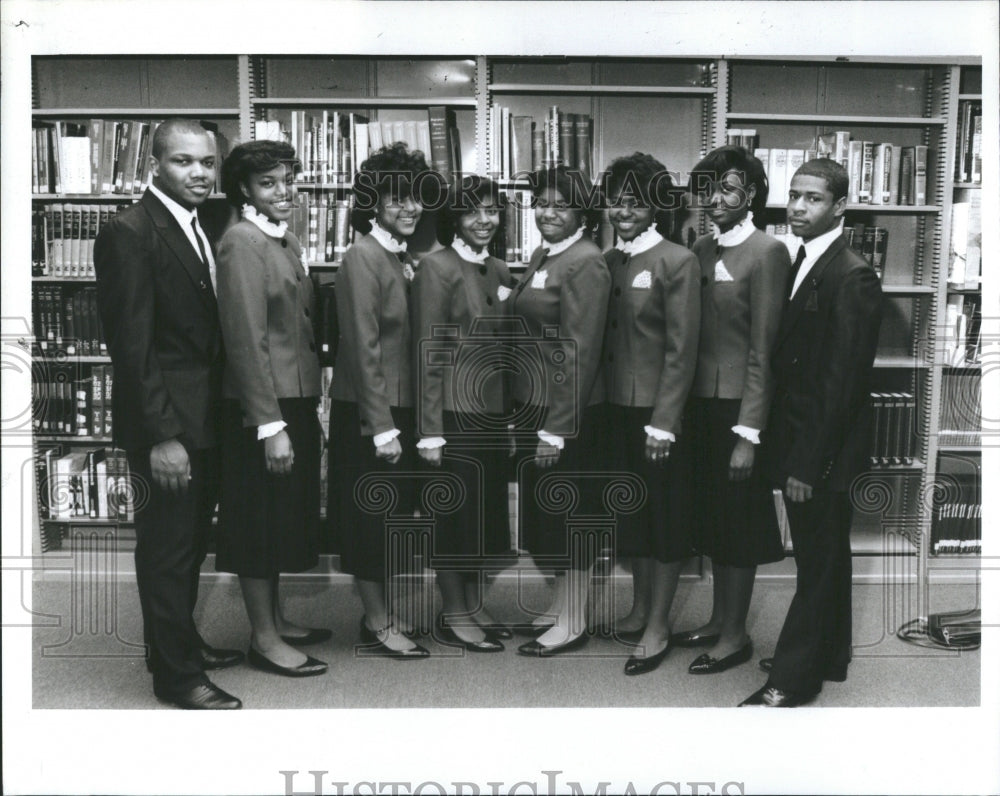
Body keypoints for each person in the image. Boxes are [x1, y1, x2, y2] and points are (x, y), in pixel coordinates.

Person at [94, 119, 243, 709]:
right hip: (168, 428)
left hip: (202, 420)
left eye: (207, 163)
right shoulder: (129, 231)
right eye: (184, 162)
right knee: (166, 549)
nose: (200, 174)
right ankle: (177, 678)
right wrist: (163, 437)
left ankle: (173, 646)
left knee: (186, 546)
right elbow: (131, 349)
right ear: (154, 164)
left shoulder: (202, 223)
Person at [740, 158, 882, 707]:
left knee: (818, 560)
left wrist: (808, 464)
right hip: (806, 440)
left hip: (821, 450)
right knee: (828, 554)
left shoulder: (852, 273)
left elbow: (841, 385)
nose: (798, 207)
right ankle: (829, 656)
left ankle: (793, 680)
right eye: (794, 195)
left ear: (839, 206)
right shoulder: (804, 259)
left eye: (814, 198)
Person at [671, 146, 789, 675]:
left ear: (753, 195)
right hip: (699, 407)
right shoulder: (698, 247)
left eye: (727, 189)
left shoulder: (768, 252)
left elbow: (765, 349)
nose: (713, 199)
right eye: (708, 189)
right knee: (714, 519)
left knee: (738, 525)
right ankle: (720, 620)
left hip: (737, 412)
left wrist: (749, 433)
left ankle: (737, 635)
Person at [214, 140, 328, 678]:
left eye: (289, 180)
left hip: (294, 400)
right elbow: (244, 338)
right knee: (257, 523)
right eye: (269, 183)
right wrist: (270, 425)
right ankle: (263, 638)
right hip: (263, 409)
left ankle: (277, 620)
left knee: (281, 517)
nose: (284, 192)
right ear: (244, 189)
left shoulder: (283, 238)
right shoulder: (242, 241)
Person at [328, 142, 431, 659]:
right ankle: (376, 620)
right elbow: (362, 347)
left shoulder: (399, 255)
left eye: (415, 198)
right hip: (371, 414)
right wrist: (383, 426)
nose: (410, 207)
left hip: (399, 410)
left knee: (390, 518)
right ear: (373, 202)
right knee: (370, 522)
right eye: (397, 199)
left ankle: (383, 611)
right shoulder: (362, 257)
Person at [601, 153, 701, 675]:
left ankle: (659, 624)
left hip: (657, 419)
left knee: (663, 523)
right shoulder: (610, 259)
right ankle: (640, 608)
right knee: (632, 517)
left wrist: (664, 421)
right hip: (615, 411)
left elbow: (681, 351)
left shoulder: (676, 261)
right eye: (616, 200)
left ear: (657, 206)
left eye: (636, 201)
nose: (624, 210)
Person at [509, 166, 611, 657]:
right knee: (546, 517)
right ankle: (559, 607)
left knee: (570, 518)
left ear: (582, 213)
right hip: (535, 403)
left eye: (559, 205)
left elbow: (580, 350)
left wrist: (555, 429)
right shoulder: (544, 254)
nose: (547, 212)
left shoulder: (586, 262)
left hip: (565, 414)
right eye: (541, 203)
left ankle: (573, 621)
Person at [411, 175, 514, 652]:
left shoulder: (498, 269)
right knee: (454, 518)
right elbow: (428, 351)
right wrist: (430, 432)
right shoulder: (436, 267)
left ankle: (472, 604)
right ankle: (454, 612)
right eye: (473, 211)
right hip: (452, 417)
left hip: (490, 417)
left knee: (481, 517)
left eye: (492, 210)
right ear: (454, 216)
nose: (484, 220)